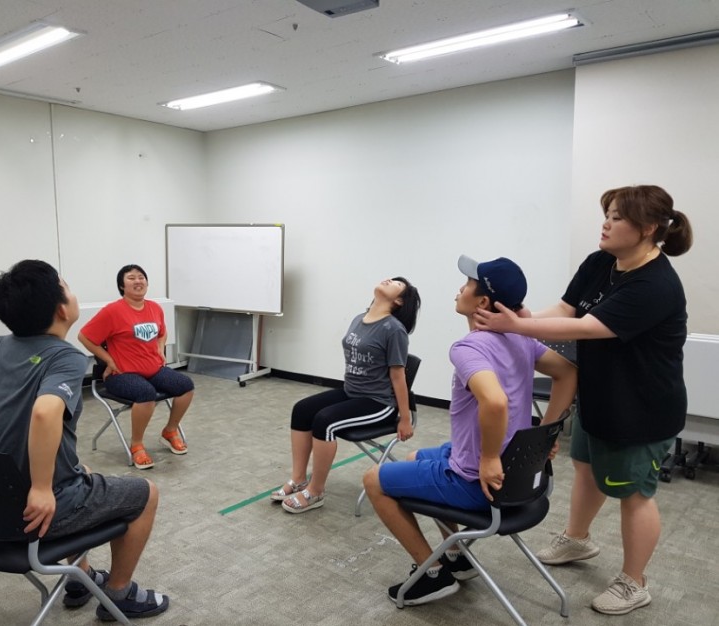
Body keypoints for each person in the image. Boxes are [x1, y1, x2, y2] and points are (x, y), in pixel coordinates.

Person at [474, 185, 693, 616]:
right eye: (606, 214)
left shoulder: (656, 284)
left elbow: (588, 327)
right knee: (586, 467)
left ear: (648, 228)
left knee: (635, 494)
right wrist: (524, 318)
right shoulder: (601, 262)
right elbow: (566, 310)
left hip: (642, 410)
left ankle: (635, 582)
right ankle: (577, 539)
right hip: (600, 395)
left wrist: (516, 328)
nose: (605, 223)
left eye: (617, 217)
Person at [0, 259, 168, 621]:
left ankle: (79, 578)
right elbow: (45, 412)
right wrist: (41, 488)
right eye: (67, 287)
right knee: (146, 493)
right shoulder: (65, 357)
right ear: (61, 309)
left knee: (81, 469)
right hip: (30, 516)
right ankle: (118, 594)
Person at [363, 255, 577, 606]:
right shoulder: (521, 338)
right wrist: (548, 431)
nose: (459, 289)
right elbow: (568, 372)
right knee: (416, 456)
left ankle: (431, 575)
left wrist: (489, 458)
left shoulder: (469, 348)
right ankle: (456, 555)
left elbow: (495, 401)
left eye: (467, 285)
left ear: (482, 302)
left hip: (480, 482)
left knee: (373, 480)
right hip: (520, 477)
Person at [271, 277, 421, 514]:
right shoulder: (359, 319)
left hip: (379, 402)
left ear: (399, 301)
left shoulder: (394, 330)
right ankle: (299, 479)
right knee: (302, 410)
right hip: (352, 392)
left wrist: (404, 417)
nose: (389, 280)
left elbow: (398, 376)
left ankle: (315, 491)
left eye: (396, 284)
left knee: (325, 421)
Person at [78, 264, 194, 470]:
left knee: (185, 386)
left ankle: (170, 430)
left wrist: (159, 348)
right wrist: (108, 360)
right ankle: (136, 444)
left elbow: (162, 332)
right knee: (145, 394)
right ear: (122, 286)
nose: (138, 281)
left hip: (153, 368)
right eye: (131, 278)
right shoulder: (113, 311)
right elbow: (84, 336)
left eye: (141, 277)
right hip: (121, 373)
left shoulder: (155, 308)